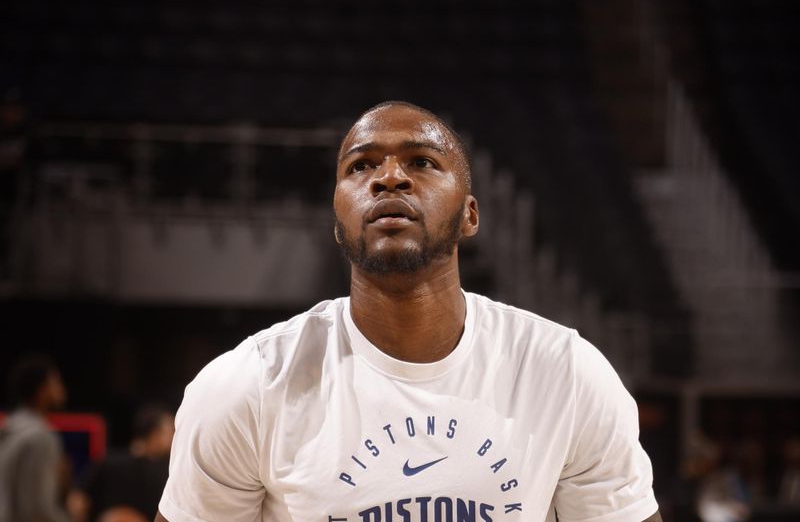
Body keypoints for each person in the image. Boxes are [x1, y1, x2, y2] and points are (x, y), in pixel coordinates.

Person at [156, 101, 661, 521]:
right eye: (361, 166)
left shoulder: (565, 374)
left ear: (469, 215)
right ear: (338, 221)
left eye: (421, 161)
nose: (388, 178)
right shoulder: (248, 385)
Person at [0, 353, 71, 522]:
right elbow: (38, 511)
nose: (61, 389)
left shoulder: (10, 428)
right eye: (56, 382)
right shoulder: (40, 437)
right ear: (42, 390)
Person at [78, 404, 174, 522]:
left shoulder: (107, 461)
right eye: (170, 432)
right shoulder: (166, 473)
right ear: (155, 435)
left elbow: (78, 501)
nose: (173, 439)